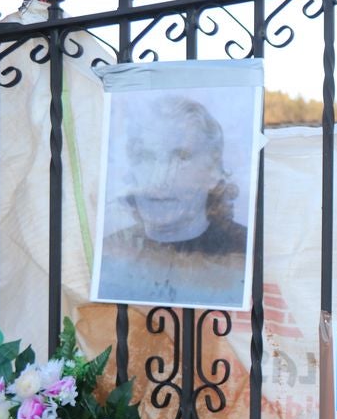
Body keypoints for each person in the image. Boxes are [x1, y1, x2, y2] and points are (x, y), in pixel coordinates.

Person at [94, 94, 250, 309]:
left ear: (213, 169)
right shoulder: (109, 252)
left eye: (181, 157)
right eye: (146, 156)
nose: (160, 181)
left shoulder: (245, 253)